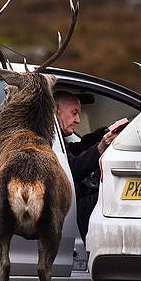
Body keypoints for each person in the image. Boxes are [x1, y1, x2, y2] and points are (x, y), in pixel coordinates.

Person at [54, 91, 119, 245]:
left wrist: (101, 135)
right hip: (71, 205)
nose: (77, 120)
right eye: (74, 113)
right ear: (56, 110)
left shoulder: (56, 137)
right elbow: (69, 169)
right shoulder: (47, 137)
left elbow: (74, 150)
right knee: (111, 196)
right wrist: (100, 148)